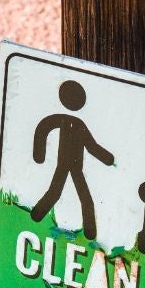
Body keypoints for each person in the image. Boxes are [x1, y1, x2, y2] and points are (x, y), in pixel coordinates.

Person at [30, 80, 115, 239]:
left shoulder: (77, 123)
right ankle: (36, 215)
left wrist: (108, 159)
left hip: (75, 168)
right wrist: (39, 154)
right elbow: (44, 128)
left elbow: (90, 146)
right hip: (64, 165)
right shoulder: (67, 120)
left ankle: (90, 231)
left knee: (80, 197)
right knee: (59, 193)